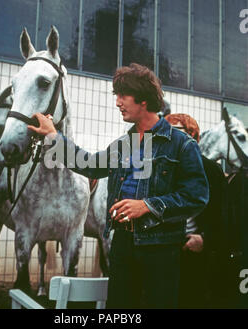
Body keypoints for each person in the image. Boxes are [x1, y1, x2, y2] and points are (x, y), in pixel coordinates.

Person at [28, 63, 209, 309]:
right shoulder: (124, 144)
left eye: (123, 95)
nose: (118, 102)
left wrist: (148, 205)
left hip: (161, 249)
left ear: (143, 99)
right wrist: (53, 136)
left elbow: (197, 195)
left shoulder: (182, 145)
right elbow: (90, 164)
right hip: (122, 244)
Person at [165, 113, 228, 308]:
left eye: (177, 132)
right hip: (163, 253)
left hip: (196, 254)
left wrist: (205, 239)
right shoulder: (159, 169)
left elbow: (223, 217)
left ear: (193, 137)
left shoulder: (211, 171)